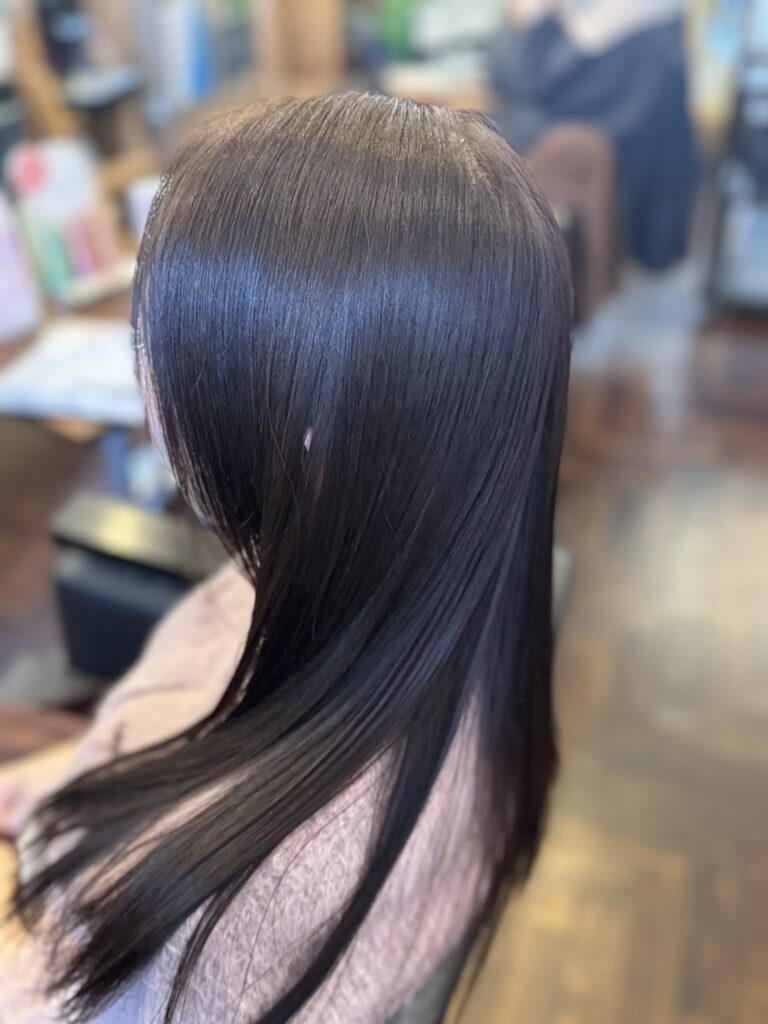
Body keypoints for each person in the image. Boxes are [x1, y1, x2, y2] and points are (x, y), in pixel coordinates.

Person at [0, 91, 572, 1023]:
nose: (145, 386)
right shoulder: (425, 588)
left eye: (157, 347)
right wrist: (75, 781)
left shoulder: (236, 912)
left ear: (306, 435)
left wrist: (74, 839)